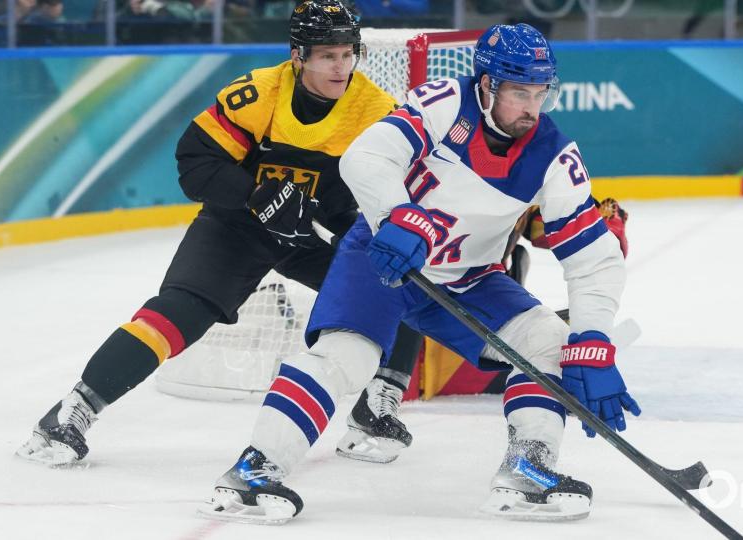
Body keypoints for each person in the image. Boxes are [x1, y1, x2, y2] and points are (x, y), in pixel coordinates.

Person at [201, 23, 639, 524]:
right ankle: (253, 472)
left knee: (552, 344)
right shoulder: (444, 101)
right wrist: (396, 214)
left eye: (543, 93)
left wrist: (594, 338)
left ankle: (526, 472)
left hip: (469, 278)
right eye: (521, 92)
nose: (532, 108)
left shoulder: (555, 154)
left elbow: (594, 257)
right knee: (345, 357)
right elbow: (367, 155)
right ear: (488, 84)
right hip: (384, 258)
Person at [15, 0, 420, 467]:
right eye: (328, 55)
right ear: (298, 55)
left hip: (311, 233)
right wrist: (257, 194)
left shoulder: (377, 111)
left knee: (400, 283)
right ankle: (73, 412)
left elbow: (379, 196)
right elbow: (195, 163)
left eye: (349, 53)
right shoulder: (258, 93)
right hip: (238, 226)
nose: (341, 66)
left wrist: (355, 227)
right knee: (178, 314)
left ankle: (378, 403)